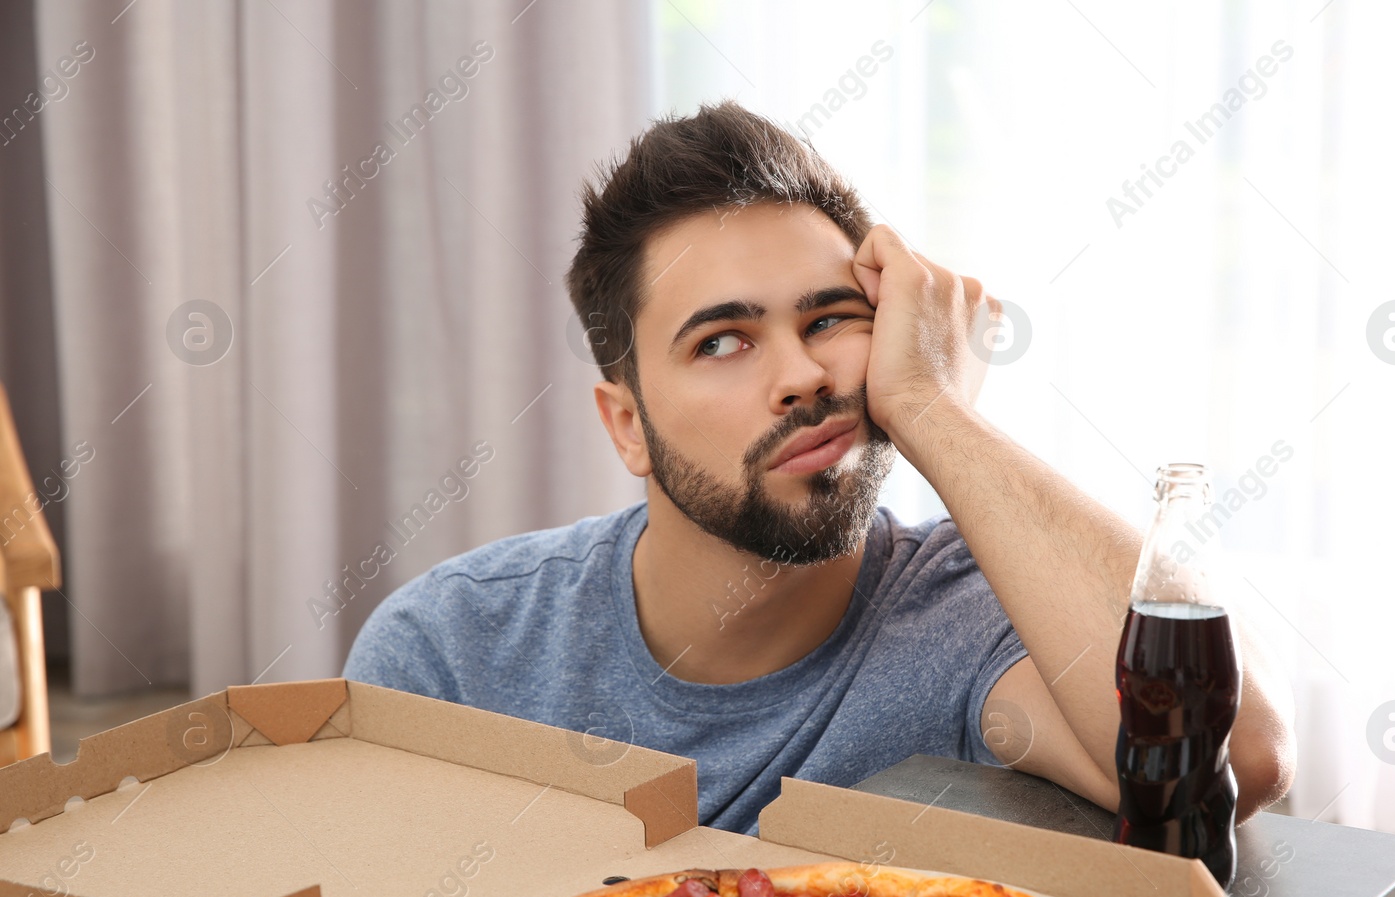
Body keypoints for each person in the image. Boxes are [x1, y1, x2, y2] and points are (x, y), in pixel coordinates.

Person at [344, 100, 1295, 835]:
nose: (801, 376)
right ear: (626, 425)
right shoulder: (452, 651)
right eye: (723, 341)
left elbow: (1234, 758)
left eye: (830, 319)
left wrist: (936, 411)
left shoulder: (962, 619)